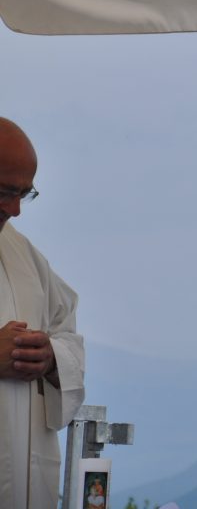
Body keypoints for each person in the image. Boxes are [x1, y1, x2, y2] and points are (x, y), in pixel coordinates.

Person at [0, 117, 85, 508]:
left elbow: (66, 331)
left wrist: (51, 357)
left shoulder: (22, 255)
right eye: (5, 192)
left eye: (25, 194)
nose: (15, 210)